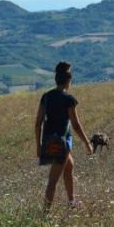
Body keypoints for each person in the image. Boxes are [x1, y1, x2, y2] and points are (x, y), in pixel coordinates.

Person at [35, 61, 92, 209]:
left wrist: (38, 145)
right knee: (52, 180)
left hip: (48, 141)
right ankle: (45, 216)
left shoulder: (45, 97)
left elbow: (37, 124)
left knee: (69, 166)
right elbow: (76, 125)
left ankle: (72, 201)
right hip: (61, 143)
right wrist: (87, 142)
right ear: (68, 81)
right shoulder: (69, 99)